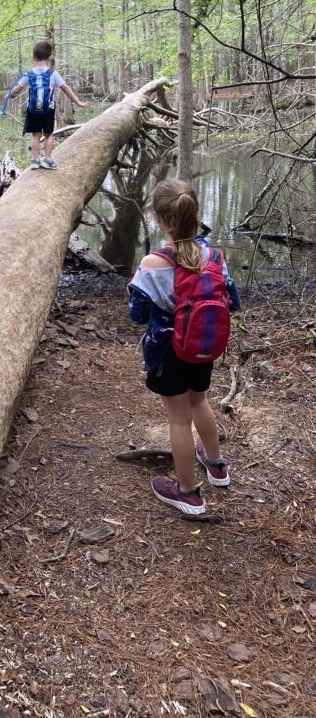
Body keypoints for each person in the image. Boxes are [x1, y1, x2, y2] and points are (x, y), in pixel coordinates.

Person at [127, 179, 241, 515]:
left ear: (159, 220)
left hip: (168, 352)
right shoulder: (214, 256)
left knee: (178, 419)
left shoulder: (152, 264)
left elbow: (136, 316)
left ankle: (188, 493)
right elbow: (231, 301)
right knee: (200, 401)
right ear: (194, 215)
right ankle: (217, 466)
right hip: (204, 346)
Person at [6, 41, 88, 170]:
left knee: (35, 135)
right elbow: (65, 88)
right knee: (49, 134)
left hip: (32, 110)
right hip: (48, 109)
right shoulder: (52, 74)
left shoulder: (28, 74)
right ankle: (47, 160)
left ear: (33, 58)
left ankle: (34, 160)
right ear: (49, 58)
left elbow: (16, 90)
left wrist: (10, 96)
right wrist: (77, 102)